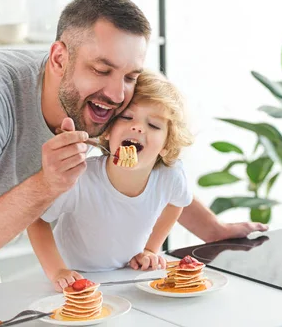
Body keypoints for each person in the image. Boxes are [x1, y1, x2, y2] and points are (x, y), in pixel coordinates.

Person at [0, 0, 266, 313]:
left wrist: (210, 229)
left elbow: (156, 172)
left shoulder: (98, 103)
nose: (117, 93)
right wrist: (46, 185)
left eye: (130, 75)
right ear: (59, 57)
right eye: (102, 70)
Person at [30, 70, 193, 291]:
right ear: (107, 131)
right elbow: (35, 218)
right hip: (73, 279)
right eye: (127, 117)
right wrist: (57, 270)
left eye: (153, 125)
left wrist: (151, 249)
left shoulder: (170, 176)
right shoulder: (81, 178)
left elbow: (177, 203)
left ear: (166, 145)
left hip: (125, 277)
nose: (137, 127)